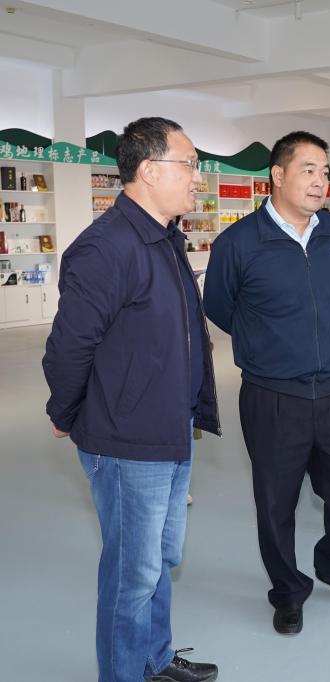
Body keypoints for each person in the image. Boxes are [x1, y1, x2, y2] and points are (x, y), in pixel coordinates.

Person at [42, 117, 220, 682]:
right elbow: (69, 346)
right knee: (132, 574)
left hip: (170, 428)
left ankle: (154, 660)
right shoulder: (107, 248)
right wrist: (66, 412)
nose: (198, 177)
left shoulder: (164, 238)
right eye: (188, 164)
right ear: (148, 170)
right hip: (127, 440)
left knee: (160, 561)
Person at [204, 131, 330, 637]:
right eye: (308, 170)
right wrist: (268, 344)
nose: (320, 181)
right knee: (276, 502)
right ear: (277, 175)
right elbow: (219, 307)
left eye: (325, 171)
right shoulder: (238, 243)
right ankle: (288, 591)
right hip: (274, 396)